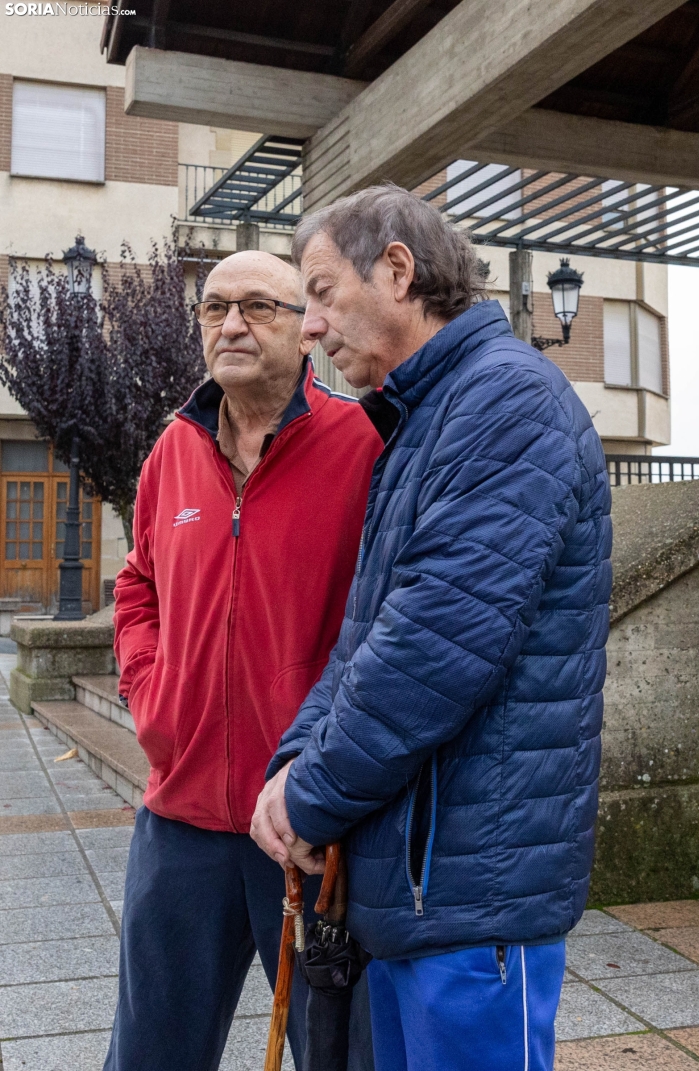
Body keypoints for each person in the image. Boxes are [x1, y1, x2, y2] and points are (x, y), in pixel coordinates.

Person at [251, 186, 612, 1071]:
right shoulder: (425, 419)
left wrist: (311, 796)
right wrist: (295, 758)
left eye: (324, 292)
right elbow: (367, 634)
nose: (310, 327)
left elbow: (431, 653)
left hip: (473, 900)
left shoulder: (506, 404)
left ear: (399, 270)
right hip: (423, 891)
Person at [104, 250, 382, 1071]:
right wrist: (154, 698)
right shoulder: (172, 454)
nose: (231, 323)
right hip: (179, 821)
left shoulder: (361, 446)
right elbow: (137, 585)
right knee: (151, 1054)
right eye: (215, 307)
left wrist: (330, 769)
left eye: (259, 306)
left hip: (307, 825)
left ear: (307, 331)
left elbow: (389, 618)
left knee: (334, 1055)